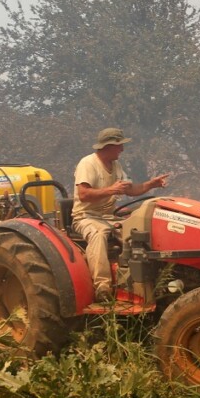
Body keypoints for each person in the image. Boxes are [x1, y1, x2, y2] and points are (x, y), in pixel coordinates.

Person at [72, 127, 170, 302]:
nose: (122, 150)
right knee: (98, 233)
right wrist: (112, 190)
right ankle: (102, 286)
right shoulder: (87, 163)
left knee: (136, 232)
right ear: (109, 146)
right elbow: (83, 194)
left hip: (108, 217)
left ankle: (139, 282)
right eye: (119, 146)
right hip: (86, 217)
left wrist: (151, 184)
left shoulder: (116, 166)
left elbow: (132, 190)